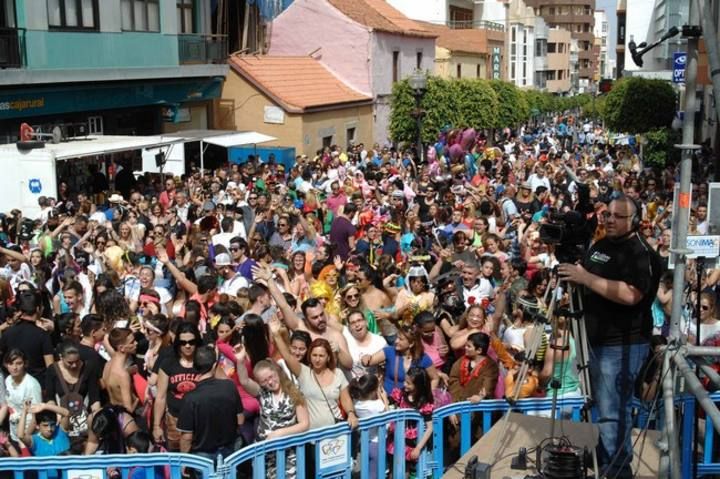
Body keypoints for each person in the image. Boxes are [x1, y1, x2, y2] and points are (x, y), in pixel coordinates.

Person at [558, 196, 662, 479]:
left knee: (613, 410)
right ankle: (605, 455)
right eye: (608, 215)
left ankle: (616, 469)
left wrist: (586, 279)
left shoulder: (641, 253)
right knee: (601, 406)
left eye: (618, 216)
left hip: (621, 346)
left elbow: (632, 294)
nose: (609, 220)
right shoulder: (602, 245)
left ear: (635, 221)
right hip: (593, 341)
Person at [270, 317, 357, 430]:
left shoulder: (338, 373)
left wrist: (351, 413)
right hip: (312, 436)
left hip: (335, 432)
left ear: (328, 357)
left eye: (321, 356)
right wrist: (276, 335)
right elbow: (287, 355)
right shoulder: (303, 372)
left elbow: (345, 399)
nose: (317, 359)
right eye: (314, 355)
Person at [236, 359, 309, 479]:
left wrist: (280, 433)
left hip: (287, 452)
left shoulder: (294, 393)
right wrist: (240, 360)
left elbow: (304, 424)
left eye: (271, 376)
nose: (270, 382)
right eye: (264, 381)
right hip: (264, 452)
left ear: (276, 372)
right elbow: (244, 381)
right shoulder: (262, 393)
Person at [177, 346, 243, 460]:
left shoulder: (190, 398)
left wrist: (185, 460)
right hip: (231, 451)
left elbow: (187, 437)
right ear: (214, 365)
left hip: (203, 456)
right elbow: (240, 420)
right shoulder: (229, 386)